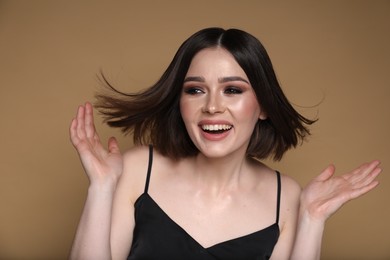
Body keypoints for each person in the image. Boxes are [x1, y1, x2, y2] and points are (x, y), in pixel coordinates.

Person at [69, 27, 381, 260]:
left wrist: (312, 220)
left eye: (232, 90)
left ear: (263, 107)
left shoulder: (286, 198)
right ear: (179, 103)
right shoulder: (138, 170)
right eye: (195, 90)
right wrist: (101, 188)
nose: (212, 107)